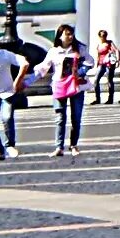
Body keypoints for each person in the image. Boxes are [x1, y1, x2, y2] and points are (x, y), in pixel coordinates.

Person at [0, 32, 33, 160]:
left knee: (6, 117)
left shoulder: (4, 54)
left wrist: (18, 81)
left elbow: (24, 63)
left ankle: (10, 145)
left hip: (6, 93)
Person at [45, 26, 86, 156]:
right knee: (60, 118)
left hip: (75, 87)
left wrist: (80, 72)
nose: (70, 37)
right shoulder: (53, 51)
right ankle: (59, 147)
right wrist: (27, 81)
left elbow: (90, 62)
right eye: (67, 34)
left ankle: (73, 145)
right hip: (59, 86)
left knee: (76, 117)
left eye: (71, 34)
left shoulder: (79, 49)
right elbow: (43, 68)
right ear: (60, 36)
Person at [91, 31, 120, 107]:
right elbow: (98, 54)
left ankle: (110, 99)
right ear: (99, 36)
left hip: (109, 64)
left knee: (109, 80)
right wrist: (96, 63)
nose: (104, 37)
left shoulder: (109, 43)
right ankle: (98, 99)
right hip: (101, 63)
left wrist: (117, 60)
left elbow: (116, 50)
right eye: (102, 36)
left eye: (105, 35)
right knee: (96, 80)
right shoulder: (99, 45)